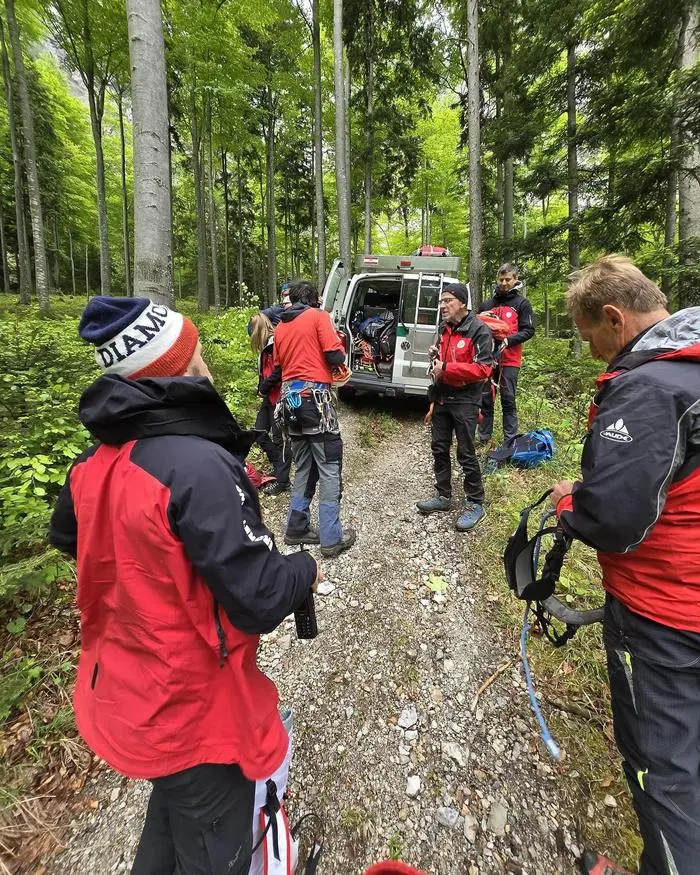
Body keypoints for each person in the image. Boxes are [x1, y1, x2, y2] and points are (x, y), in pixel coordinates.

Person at [49, 296, 321, 874]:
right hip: (192, 706)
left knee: (176, 803)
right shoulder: (197, 466)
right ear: (180, 364)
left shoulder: (92, 461)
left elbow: (72, 538)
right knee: (212, 839)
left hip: (121, 689)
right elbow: (261, 597)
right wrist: (304, 569)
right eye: (197, 352)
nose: (208, 364)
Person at [550, 256, 700, 875]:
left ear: (615, 318)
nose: (589, 350)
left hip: (665, 616)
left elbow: (613, 519)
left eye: (589, 335)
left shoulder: (649, 388)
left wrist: (568, 503)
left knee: (666, 777)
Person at [271, 279, 356, 558]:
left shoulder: (281, 327)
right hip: (316, 401)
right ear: (314, 300)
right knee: (330, 465)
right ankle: (331, 537)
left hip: (289, 403)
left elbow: (280, 366)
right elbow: (334, 354)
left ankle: (297, 527)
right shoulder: (319, 317)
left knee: (304, 466)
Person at [416, 283, 493, 531]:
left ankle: (475, 502)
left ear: (462, 302)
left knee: (466, 451)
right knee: (439, 447)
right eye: (441, 302)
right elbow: (442, 361)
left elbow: (484, 369)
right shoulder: (444, 328)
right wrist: (435, 356)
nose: (442, 306)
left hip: (466, 398)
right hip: (442, 396)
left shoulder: (479, 330)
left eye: (447, 301)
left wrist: (447, 368)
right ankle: (443, 496)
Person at [477, 263, 535, 444]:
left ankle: (509, 440)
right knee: (486, 398)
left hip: (510, 359)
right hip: (487, 358)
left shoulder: (522, 304)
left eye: (507, 279)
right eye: (501, 279)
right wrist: (479, 316)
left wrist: (509, 341)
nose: (503, 283)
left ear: (516, 280)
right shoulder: (488, 303)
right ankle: (484, 437)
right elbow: (473, 329)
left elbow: (528, 330)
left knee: (508, 399)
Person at [249, 312, 291, 496]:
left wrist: (264, 388)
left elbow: (278, 371)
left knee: (280, 439)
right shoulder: (264, 348)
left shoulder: (275, 344)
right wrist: (261, 388)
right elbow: (263, 373)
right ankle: (278, 466)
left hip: (279, 397)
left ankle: (283, 481)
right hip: (269, 397)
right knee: (259, 432)